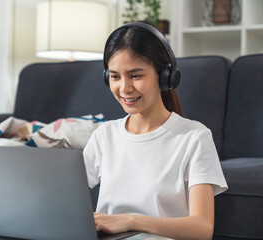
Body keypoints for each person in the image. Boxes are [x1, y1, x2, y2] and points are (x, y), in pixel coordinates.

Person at [83, 22, 228, 240]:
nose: (124, 88)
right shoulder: (105, 135)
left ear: (165, 76)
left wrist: (130, 221)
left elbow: (202, 228)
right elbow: (63, 196)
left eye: (135, 75)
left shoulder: (194, 137)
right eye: (115, 76)